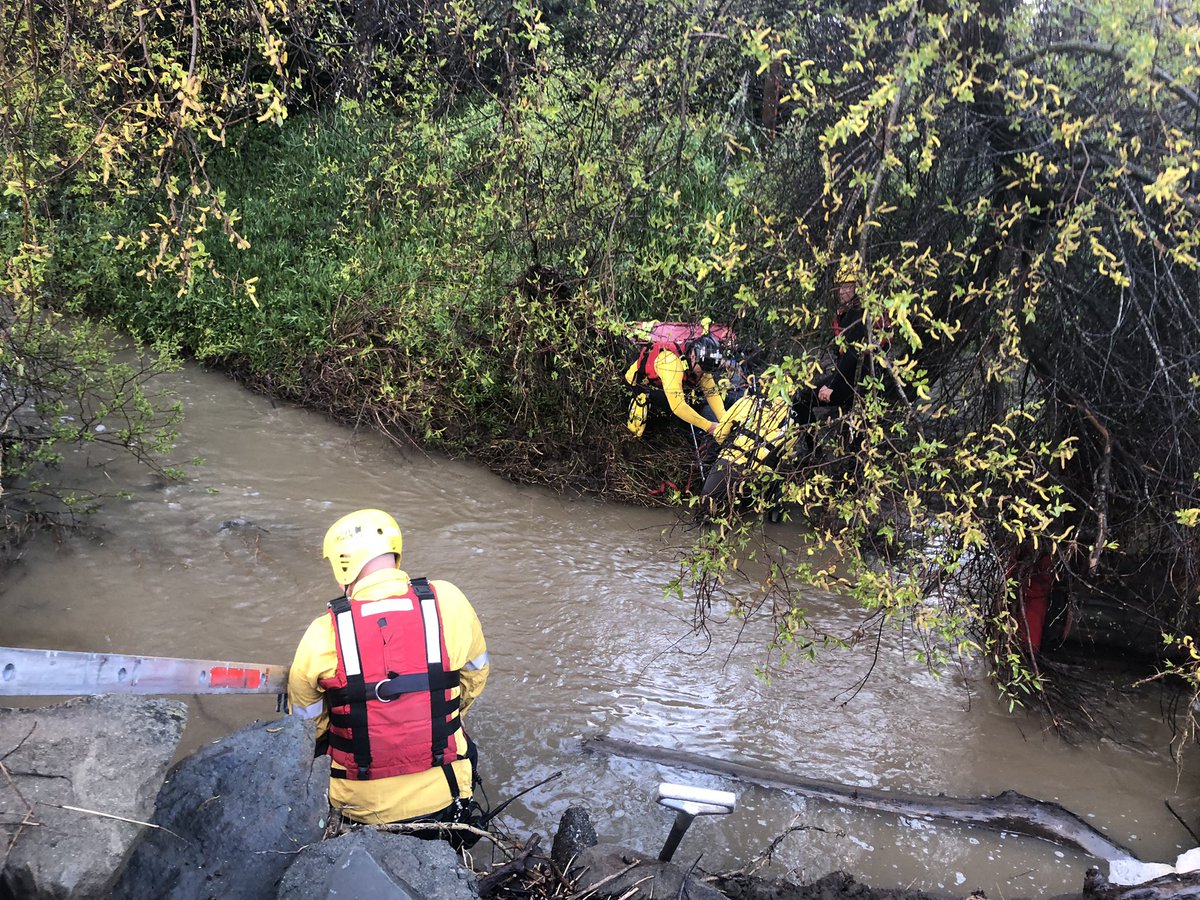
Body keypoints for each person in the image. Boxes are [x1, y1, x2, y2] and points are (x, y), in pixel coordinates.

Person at [288, 508, 490, 838]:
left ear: (343, 568)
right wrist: (445, 714)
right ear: (395, 553)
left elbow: (305, 727)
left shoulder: (322, 633)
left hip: (357, 809)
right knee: (463, 741)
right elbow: (476, 674)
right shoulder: (449, 600)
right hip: (447, 796)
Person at [701, 366, 802, 518]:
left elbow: (720, 433)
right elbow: (783, 458)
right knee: (780, 474)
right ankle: (773, 514)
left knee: (705, 508)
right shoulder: (793, 422)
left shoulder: (748, 402)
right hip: (758, 478)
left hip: (728, 466)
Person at [625, 332, 729, 437]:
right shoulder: (671, 363)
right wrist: (709, 426)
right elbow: (678, 406)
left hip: (661, 386)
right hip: (636, 386)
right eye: (703, 369)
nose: (705, 374)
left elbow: (712, 394)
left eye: (708, 371)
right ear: (693, 357)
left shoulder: (701, 366)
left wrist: (725, 422)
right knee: (672, 410)